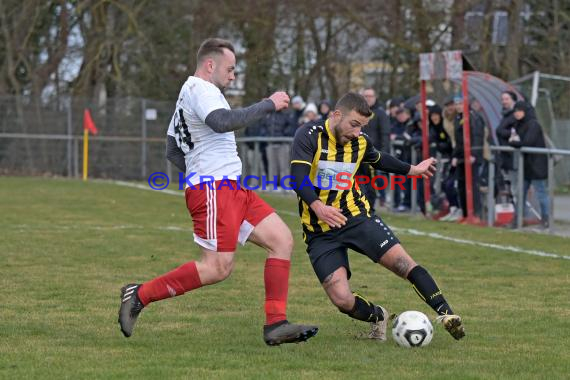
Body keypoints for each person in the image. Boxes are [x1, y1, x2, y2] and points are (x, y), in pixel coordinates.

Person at [118, 38, 318, 346]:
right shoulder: (201, 90)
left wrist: (200, 171)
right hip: (214, 189)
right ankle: (139, 295)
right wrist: (269, 103)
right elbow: (221, 122)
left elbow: (172, 149)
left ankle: (276, 324)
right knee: (217, 268)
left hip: (230, 188)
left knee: (281, 240)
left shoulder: (192, 95)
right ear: (210, 65)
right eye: (231, 69)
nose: (233, 76)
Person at [289, 92, 465, 341]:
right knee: (341, 298)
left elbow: (380, 159)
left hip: (357, 217)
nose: (357, 132)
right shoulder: (308, 135)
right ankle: (378, 316)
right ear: (336, 115)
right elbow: (298, 177)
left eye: (362, 127)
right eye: (354, 125)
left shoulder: (359, 142)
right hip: (319, 230)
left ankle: (447, 315)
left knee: (404, 264)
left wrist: (413, 170)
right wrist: (319, 207)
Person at [508, 101, 550, 228]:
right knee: (520, 193)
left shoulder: (533, 124)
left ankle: (546, 219)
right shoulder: (518, 124)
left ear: (525, 111)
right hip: (526, 165)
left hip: (536, 165)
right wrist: (514, 141)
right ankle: (517, 219)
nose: (516, 113)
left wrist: (514, 142)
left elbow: (528, 142)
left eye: (519, 110)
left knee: (541, 193)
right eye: (515, 111)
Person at [452, 94, 485, 220]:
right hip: (461, 158)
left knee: (472, 186)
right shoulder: (458, 118)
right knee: (461, 185)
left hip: (472, 158)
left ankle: (476, 214)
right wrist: (455, 156)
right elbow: (458, 140)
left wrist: (474, 154)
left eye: (460, 103)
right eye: (456, 104)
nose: (458, 106)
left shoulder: (473, 117)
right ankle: (465, 214)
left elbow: (477, 137)